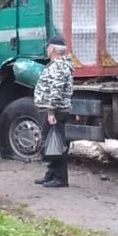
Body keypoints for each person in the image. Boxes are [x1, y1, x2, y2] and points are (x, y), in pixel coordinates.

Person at [33, 33, 74, 188]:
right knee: (51, 143)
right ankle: (51, 174)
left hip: (55, 111)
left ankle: (60, 178)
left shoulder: (59, 66)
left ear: (52, 49)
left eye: (48, 47)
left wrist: (51, 112)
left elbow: (56, 90)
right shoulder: (59, 64)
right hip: (54, 109)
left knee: (57, 144)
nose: (47, 50)